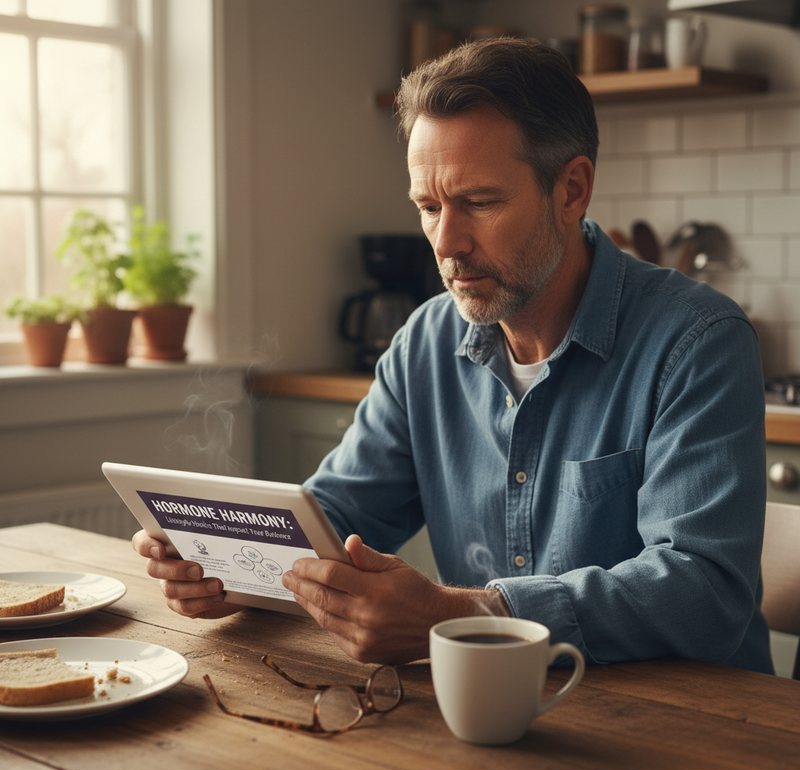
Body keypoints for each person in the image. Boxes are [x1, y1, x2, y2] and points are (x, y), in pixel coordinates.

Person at [133, 38, 773, 673]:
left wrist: (472, 615)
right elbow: (338, 516)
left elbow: (704, 590)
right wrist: (227, 564)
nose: (446, 243)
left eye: (479, 203)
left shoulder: (698, 341)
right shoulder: (425, 342)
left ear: (572, 190)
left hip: (689, 719)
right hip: (484, 705)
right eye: (428, 207)